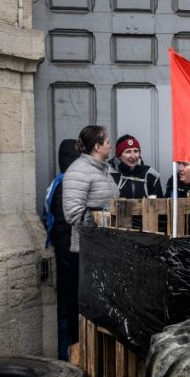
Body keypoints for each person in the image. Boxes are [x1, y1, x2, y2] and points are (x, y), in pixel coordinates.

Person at [45, 139, 81, 360]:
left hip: (66, 257)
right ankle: (69, 359)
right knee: (70, 312)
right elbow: (64, 227)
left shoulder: (59, 182)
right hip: (69, 259)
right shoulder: (68, 185)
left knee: (68, 310)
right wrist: (75, 261)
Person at [62, 125, 119, 253]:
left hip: (107, 244)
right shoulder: (78, 171)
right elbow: (73, 214)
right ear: (97, 147)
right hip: (89, 247)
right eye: (108, 142)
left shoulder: (104, 170)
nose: (110, 146)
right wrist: (109, 219)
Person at [108, 134, 164, 199]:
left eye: (136, 151)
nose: (133, 156)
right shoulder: (108, 173)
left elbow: (159, 203)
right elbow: (103, 202)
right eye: (128, 152)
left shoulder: (150, 174)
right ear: (119, 156)